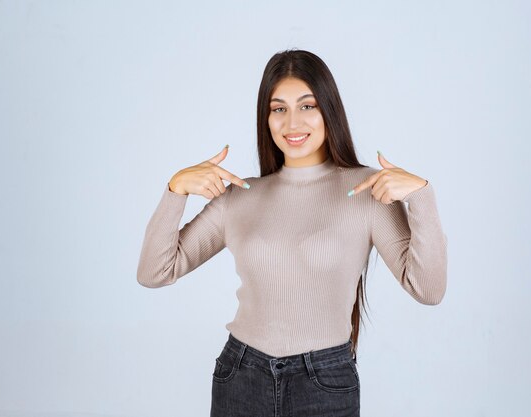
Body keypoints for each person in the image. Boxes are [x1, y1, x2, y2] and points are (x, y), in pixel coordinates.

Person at [137, 48, 448, 417]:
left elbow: (427, 290)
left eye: (307, 105)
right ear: (266, 118)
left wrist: (422, 197)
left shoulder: (367, 191)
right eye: (278, 108)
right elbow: (154, 273)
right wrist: (175, 190)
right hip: (241, 376)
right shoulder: (240, 196)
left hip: (325, 382)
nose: (292, 123)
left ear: (328, 109)